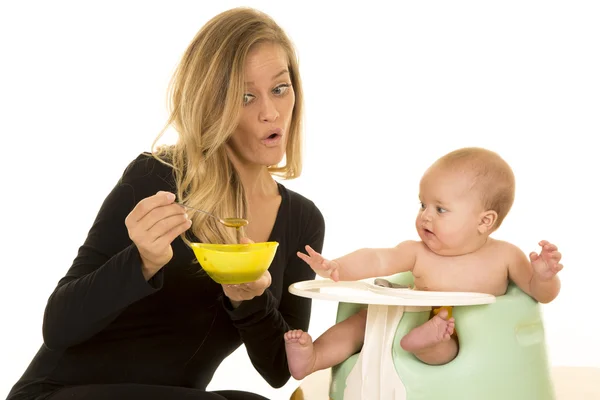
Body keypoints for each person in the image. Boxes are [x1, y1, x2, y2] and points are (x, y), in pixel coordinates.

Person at [7, 7, 325, 400]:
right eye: (245, 96)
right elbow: (57, 326)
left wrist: (251, 301)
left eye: (280, 88)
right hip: (63, 392)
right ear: (213, 105)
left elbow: (281, 368)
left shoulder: (302, 220)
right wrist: (139, 262)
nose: (270, 112)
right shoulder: (157, 178)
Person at [285, 147, 562, 379]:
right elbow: (378, 258)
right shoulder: (418, 252)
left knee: (446, 344)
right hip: (410, 318)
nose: (426, 216)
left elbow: (539, 294)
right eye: (422, 205)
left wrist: (544, 277)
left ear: (484, 221)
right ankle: (313, 357)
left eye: (440, 209)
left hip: (462, 337)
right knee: (361, 323)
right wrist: (337, 267)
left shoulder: (506, 255)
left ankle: (426, 343)